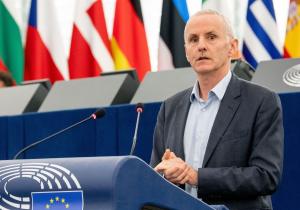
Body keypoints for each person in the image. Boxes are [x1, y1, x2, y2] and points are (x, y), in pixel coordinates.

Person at [150, 10, 284, 210]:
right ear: (186, 52)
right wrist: (166, 172)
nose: (201, 45)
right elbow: (155, 178)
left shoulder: (261, 101)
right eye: (193, 40)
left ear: (232, 47)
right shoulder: (170, 107)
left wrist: (196, 176)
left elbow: (265, 176)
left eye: (211, 37)